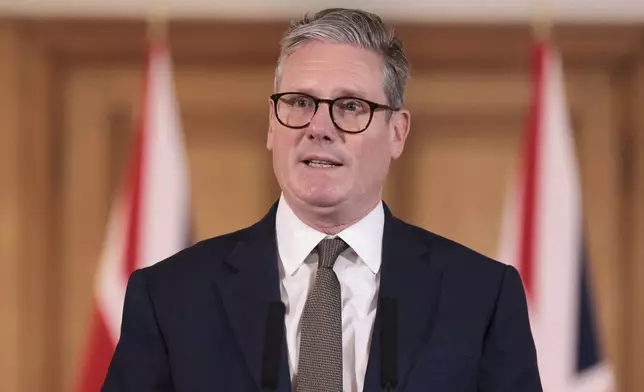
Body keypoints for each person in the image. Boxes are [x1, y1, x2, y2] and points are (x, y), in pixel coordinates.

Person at [101, 7, 542, 392]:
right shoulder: (170, 297)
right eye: (298, 102)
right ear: (272, 126)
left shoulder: (481, 298)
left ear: (397, 132)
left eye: (350, 106)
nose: (319, 127)